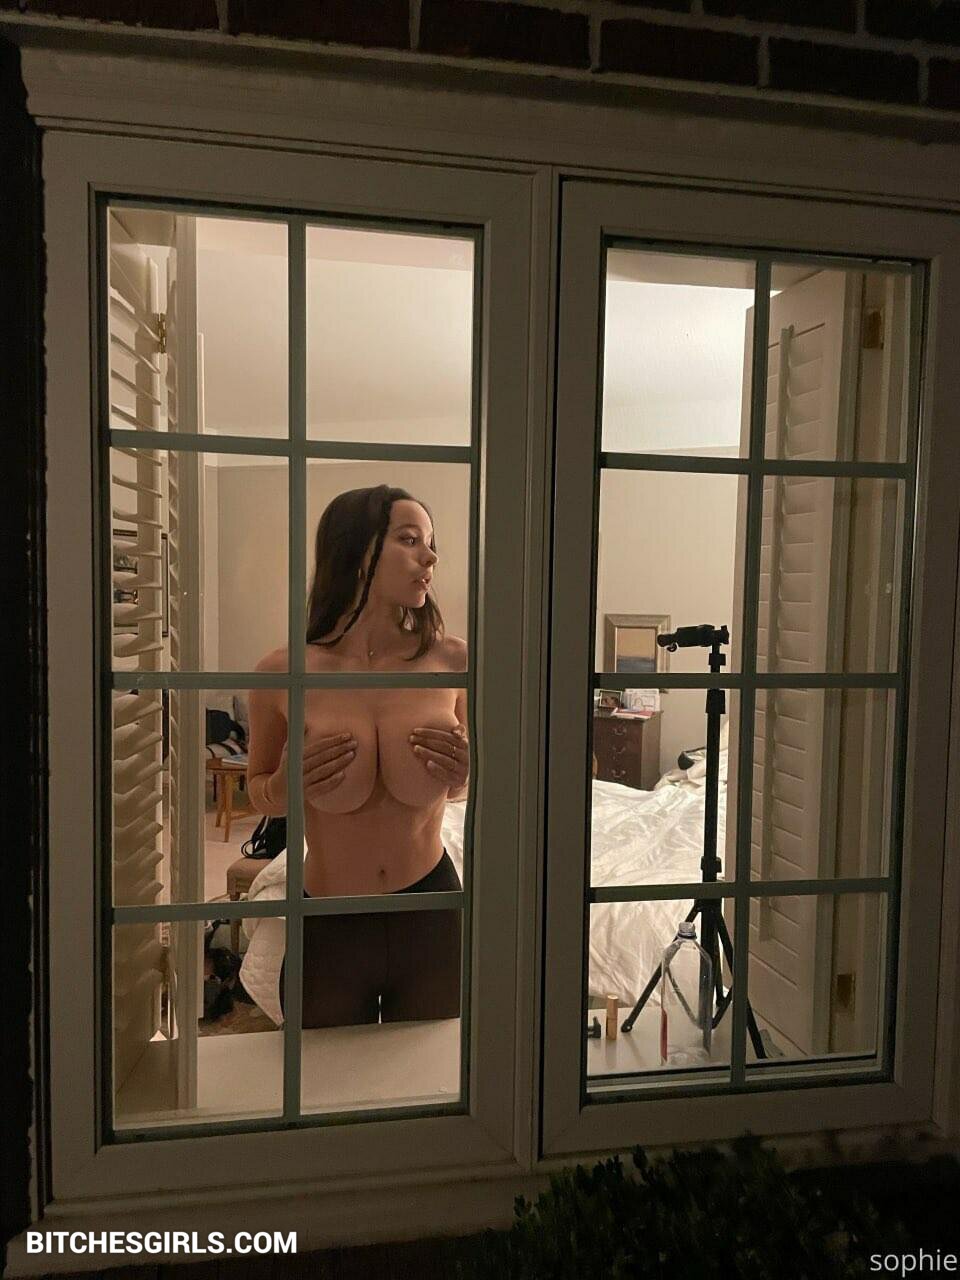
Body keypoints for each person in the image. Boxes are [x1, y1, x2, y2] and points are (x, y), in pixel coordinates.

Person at [246, 484, 469, 1027]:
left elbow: (464, 785)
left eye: (431, 543)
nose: (430, 558)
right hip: (329, 919)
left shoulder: (454, 662)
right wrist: (284, 785)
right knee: (324, 1076)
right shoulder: (283, 672)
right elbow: (258, 791)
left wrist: (466, 773)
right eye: (410, 540)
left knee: (434, 1073)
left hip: (431, 910)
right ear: (358, 551)